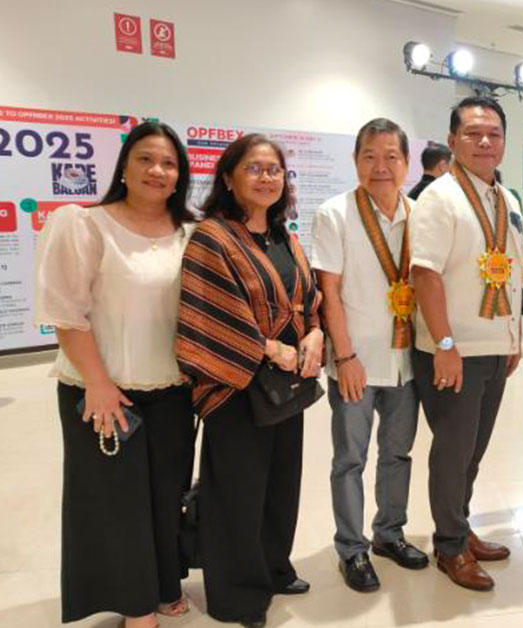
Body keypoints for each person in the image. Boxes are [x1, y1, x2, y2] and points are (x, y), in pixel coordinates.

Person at [34, 121, 195, 628]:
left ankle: (165, 585)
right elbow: (67, 314)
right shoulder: (83, 224)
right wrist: (99, 384)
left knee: (165, 496)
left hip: (172, 391)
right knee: (117, 504)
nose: (157, 170)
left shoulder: (191, 233)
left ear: (180, 175)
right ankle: (136, 607)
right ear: (124, 166)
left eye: (168, 163)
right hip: (102, 389)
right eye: (145, 159)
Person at [176, 134, 324, 628]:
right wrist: (269, 348)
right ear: (228, 178)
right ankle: (238, 594)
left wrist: (316, 333)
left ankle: (274, 568)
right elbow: (209, 310)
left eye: (274, 170)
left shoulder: (285, 237)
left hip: (286, 387)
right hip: (235, 386)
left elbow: (308, 298)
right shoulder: (212, 238)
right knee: (237, 495)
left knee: (281, 486)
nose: (267, 178)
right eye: (255, 169)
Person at [409, 96, 523, 591]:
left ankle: (461, 526)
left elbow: (511, 271)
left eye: (494, 133)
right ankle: (450, 546)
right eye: (473, 133)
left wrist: (514, 337)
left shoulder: (507, 200)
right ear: (452, 140)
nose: (484, 142)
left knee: (473, 452)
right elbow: (425, 274)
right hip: (454, 351)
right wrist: (444, 344)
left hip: (494, 347)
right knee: (453, 452)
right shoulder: (441, 197)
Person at [312, 118, 429, 595]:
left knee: (398, 453)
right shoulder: (335, 214)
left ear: (407, 162)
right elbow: (329, 291)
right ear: (355, 160)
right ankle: (351, 548)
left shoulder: (421, 214)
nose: (380, 167)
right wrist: (344, 357)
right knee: (350, 460)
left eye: (391, 157)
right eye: (369, 157)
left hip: (406, 360)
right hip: (355, 362)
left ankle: (389, 533)